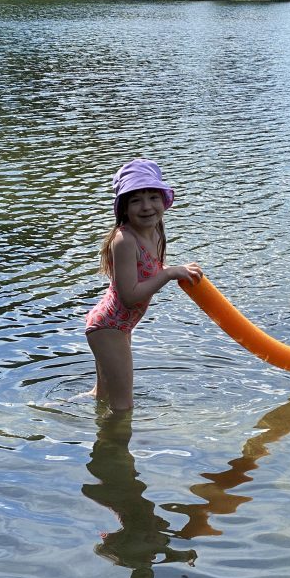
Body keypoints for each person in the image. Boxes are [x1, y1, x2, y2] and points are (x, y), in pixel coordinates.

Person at [85, 158, 202, 409]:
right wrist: (169, 273)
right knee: (123, 405)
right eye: (136, 199)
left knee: (102, 396)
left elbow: (147, 274)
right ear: (124, 208)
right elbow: (130, 296)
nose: (147, 206)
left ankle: (60, 413)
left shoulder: (156, 229)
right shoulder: (124, 240)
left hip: (118, 326)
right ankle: (116, 447)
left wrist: (173, 272)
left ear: (164, 200)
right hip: (109, 328)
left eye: (153, 197)